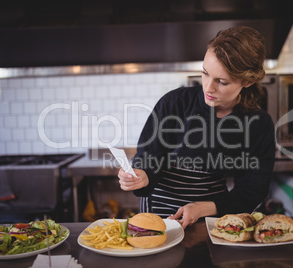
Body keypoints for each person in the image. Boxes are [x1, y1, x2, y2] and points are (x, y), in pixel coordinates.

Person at [118, 26, 275, 229]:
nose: (208, 88)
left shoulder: (258, 125)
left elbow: (252, 190)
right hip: (158, 216)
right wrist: (142, 176)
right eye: (205, 73)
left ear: (247, 81)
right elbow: (149, 156)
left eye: (222, 81)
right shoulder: (174, 103)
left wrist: (203, 208)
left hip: (213, 217)